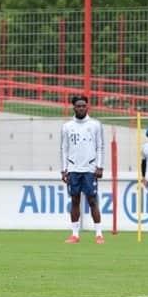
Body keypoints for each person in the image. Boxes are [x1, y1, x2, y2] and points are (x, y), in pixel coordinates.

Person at [60, 95, 106, 244]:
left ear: (87, 107)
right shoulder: (67, 126)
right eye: (78, 106)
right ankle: (75, 235)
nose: (81, 108)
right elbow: (64, 149)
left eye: (83, 105)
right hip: (73, 168)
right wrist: (63, 169)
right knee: (74, 200)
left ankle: (99, 234)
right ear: (74, 107)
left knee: (93, 201)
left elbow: (100, 147)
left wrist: (99, 166)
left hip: (90, 169)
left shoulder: (95, 125)